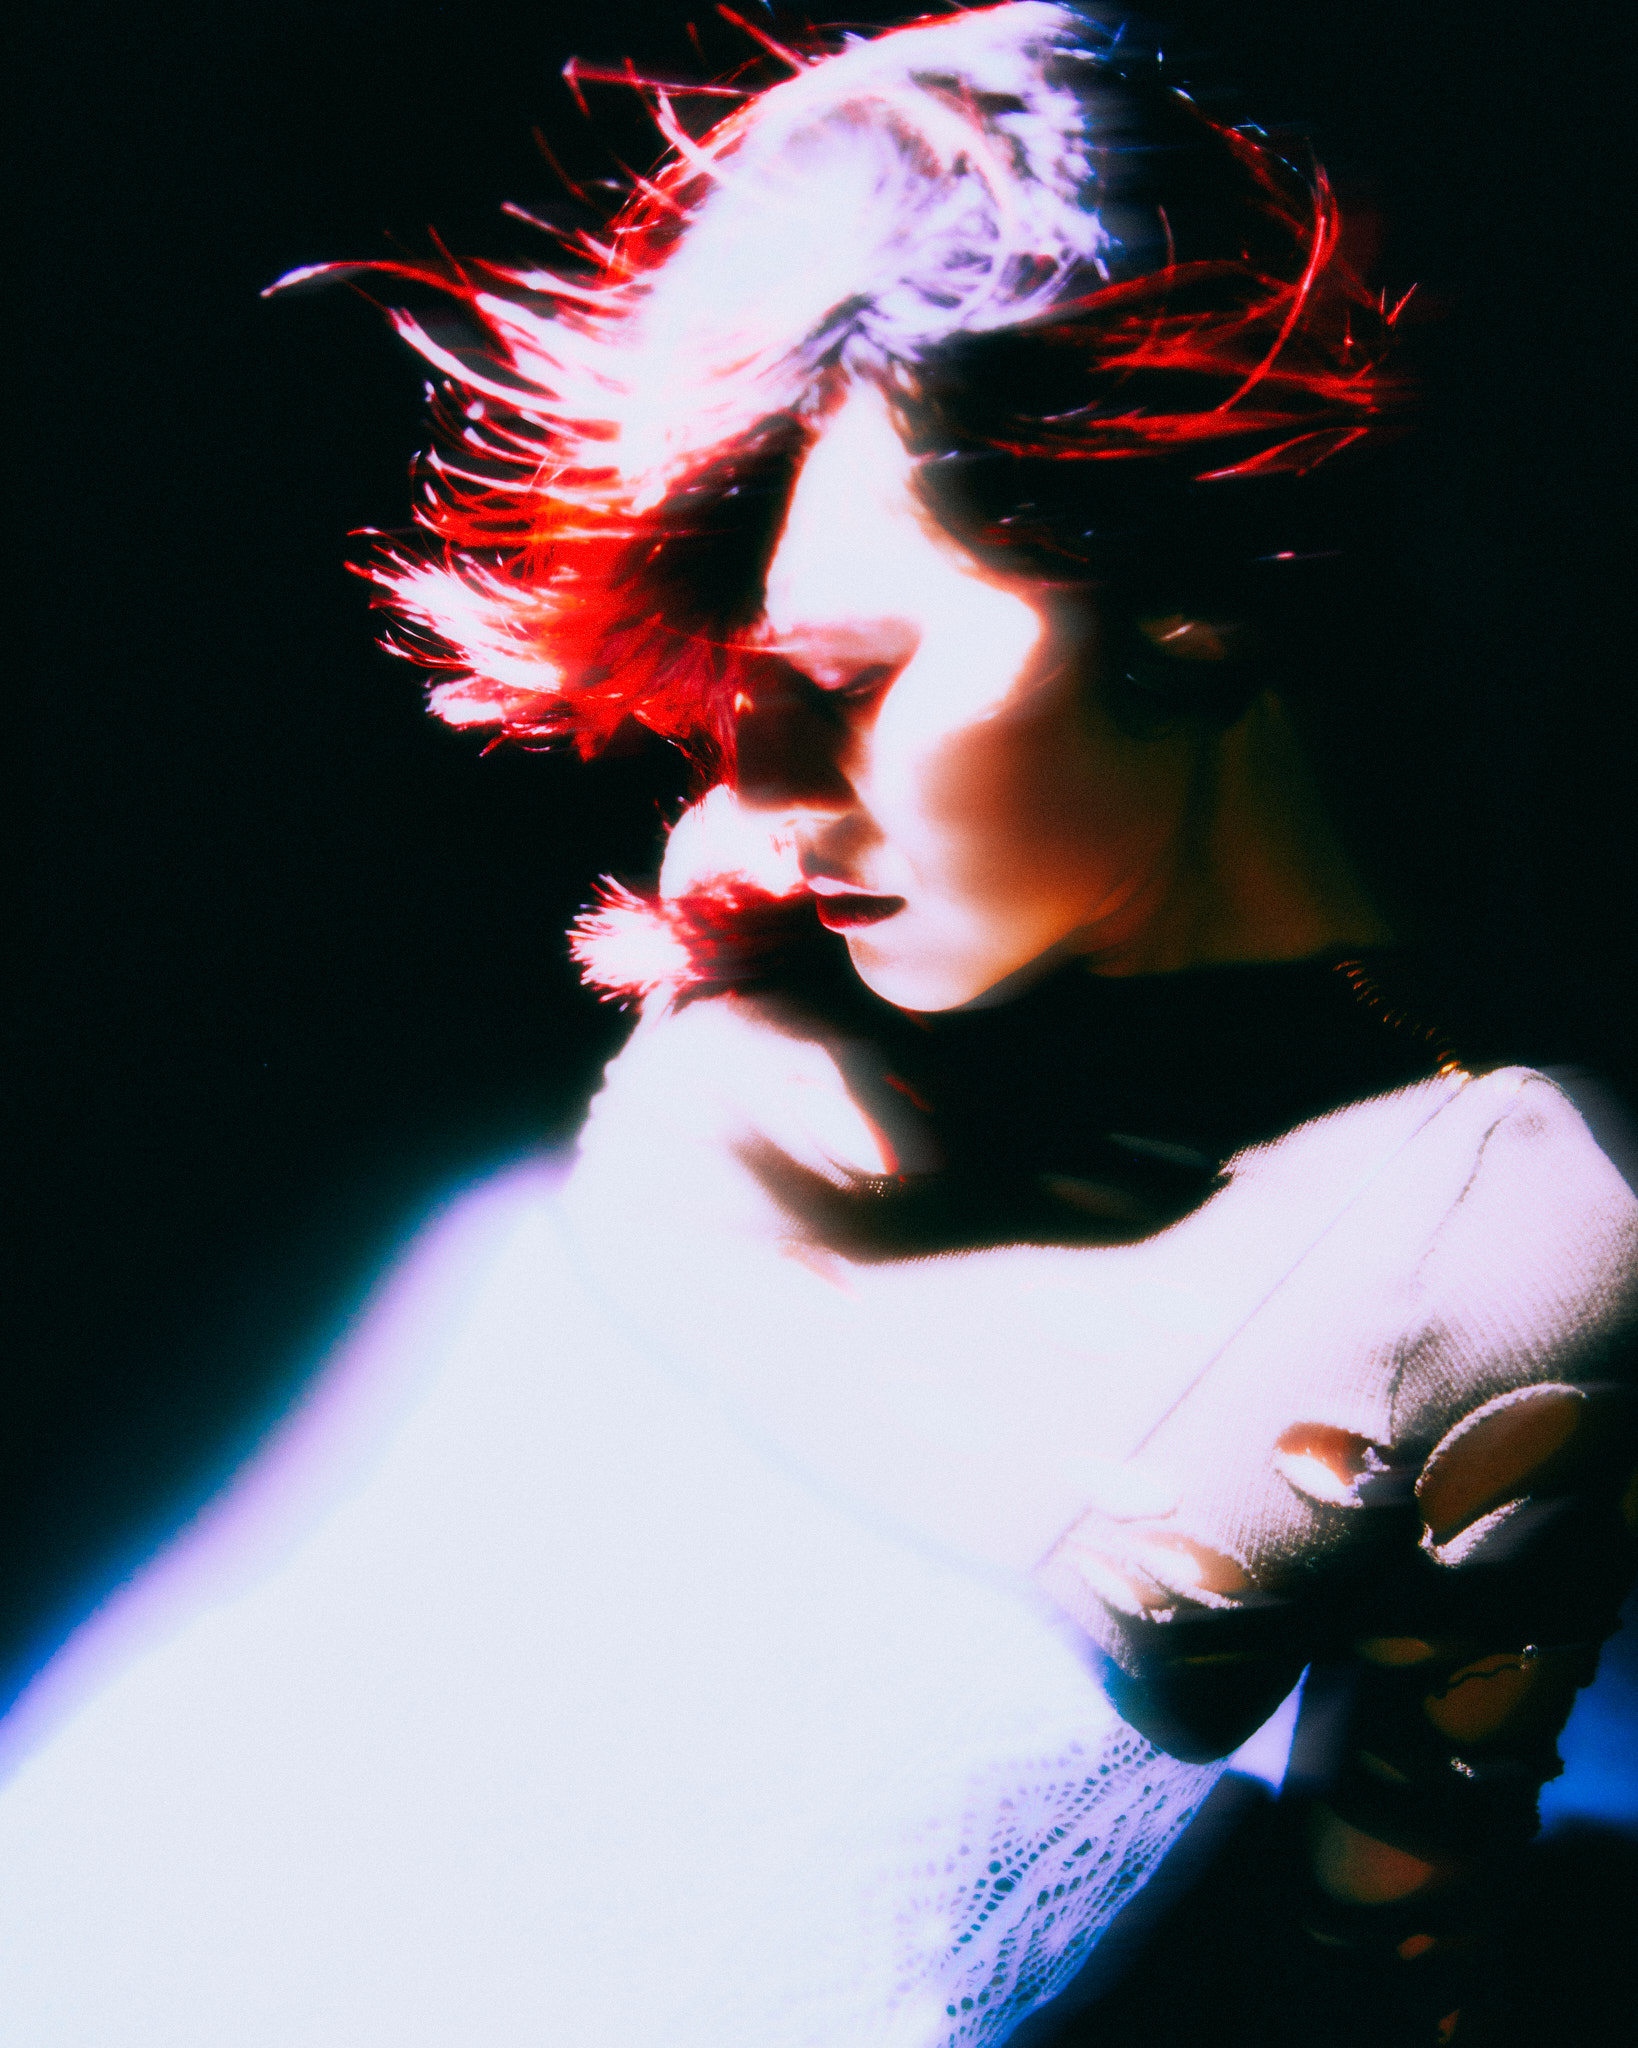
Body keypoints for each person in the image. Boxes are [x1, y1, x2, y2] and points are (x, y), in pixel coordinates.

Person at [2, 8, 1634, 2045]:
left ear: (1188, 584)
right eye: (740, 692)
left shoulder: (1497, 1230)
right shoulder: (770, 965)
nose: (749, 804)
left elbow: (1384, 1978)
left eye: (847, 680)